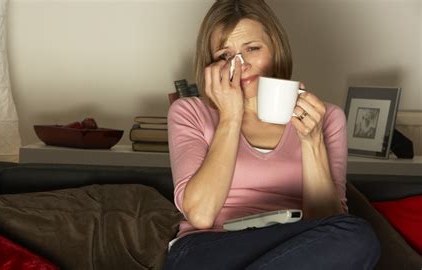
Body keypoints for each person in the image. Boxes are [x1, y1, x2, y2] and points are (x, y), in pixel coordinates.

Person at [163, 0, 381, 269]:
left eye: (252, 49)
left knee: (358, 237)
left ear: (276, 49)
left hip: (293, 247)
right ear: (210, 65)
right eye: (224, 56)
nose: (240, 65)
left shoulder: (325, 117)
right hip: (209, 248)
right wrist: (230, 117)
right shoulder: (189, 112)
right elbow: (201, 215)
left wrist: (312, 142)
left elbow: (327, 223)